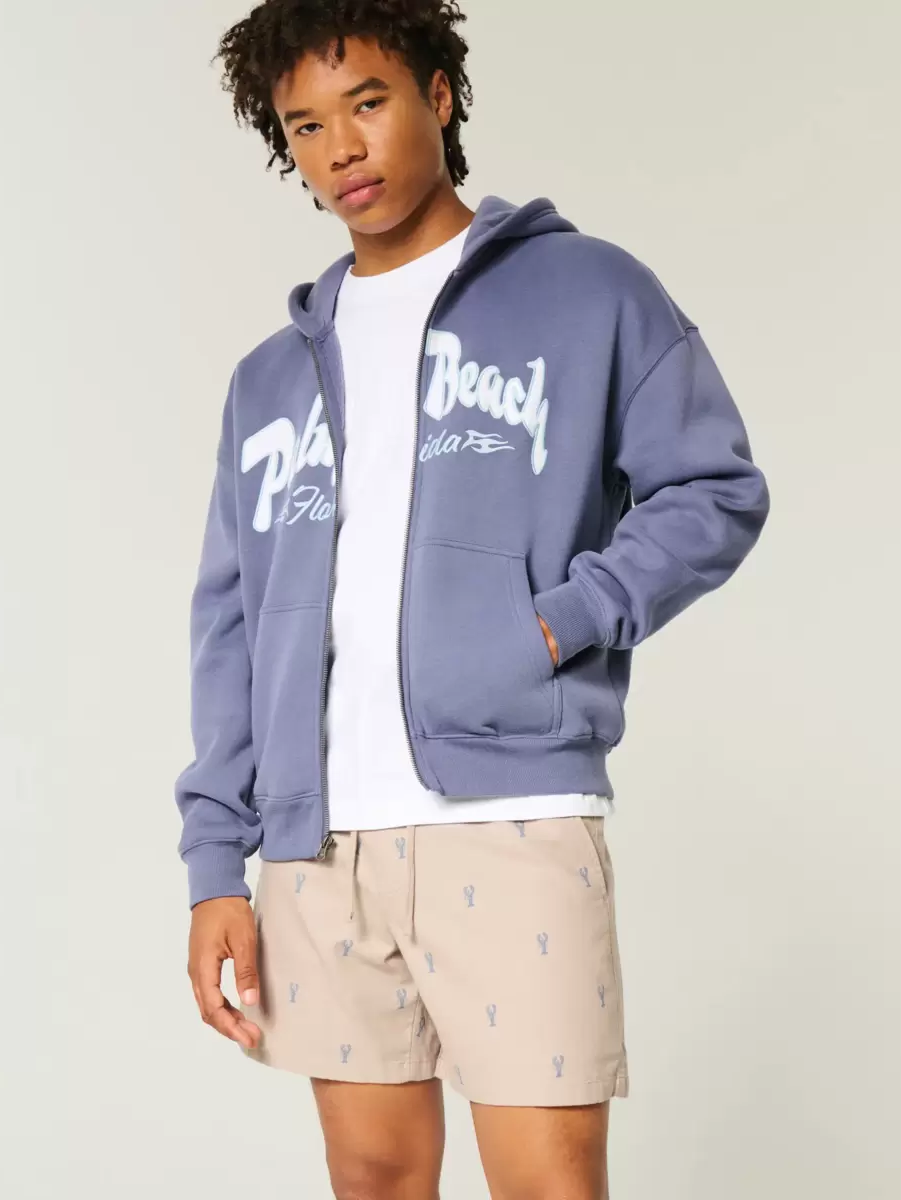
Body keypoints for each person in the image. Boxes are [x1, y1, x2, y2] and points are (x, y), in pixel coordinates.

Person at [173, 2, 771, 1196]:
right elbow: (229, 628)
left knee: (549, 1185)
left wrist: (560, 619)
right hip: (314, 845)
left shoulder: (587, 293)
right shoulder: (269, 380)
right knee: (374, 1179)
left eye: (368, 102)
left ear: (437, 95)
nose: (342, 148)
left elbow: (715, 488)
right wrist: (215, 867)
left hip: (513, 814)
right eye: (306, 125)